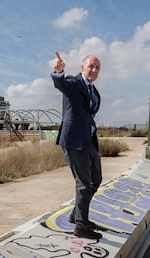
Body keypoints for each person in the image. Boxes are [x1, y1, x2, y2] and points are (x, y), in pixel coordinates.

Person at [51, 51, 103, 240]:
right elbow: (61, 83)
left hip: (88, 142)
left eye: (97, 68)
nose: (94, 70)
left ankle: (76, 215)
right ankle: (81, 226)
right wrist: (58, 72)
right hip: (73, 141)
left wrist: (95, 144)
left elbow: (89, 117)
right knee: (84, 184)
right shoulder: (74, 83)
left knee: (95, 180)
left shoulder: (94, 91)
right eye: (90, 66)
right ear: (82, 68)